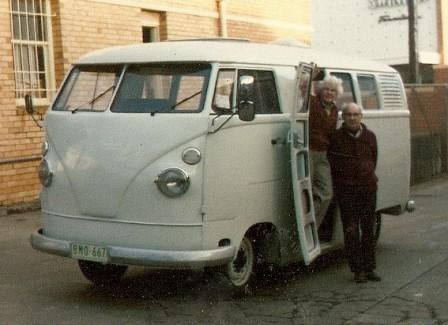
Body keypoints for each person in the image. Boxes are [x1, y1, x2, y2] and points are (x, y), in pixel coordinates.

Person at [327, 102, 381, 283]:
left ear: (361, 116)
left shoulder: (370, 136)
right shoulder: (336, 138)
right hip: (347, 190)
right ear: (343, 117)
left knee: (368, 229)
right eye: (348, 114)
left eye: (355, 114)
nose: (352, 118)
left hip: (368, 189)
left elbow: (374, 159)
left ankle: (369, 268)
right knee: (351, 230)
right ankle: (357, 270)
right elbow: (333, 164)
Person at [309, 76, 343, 228]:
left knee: (326, 193)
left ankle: (312, 227)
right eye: (326, 89)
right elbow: (303, 89)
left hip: (323, 154)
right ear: (320, 91)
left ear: (337, 94)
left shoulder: (335, 110)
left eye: (333, 90)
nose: (329, 93)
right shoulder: (312, 102)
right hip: (308, 151)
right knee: (306, 192)